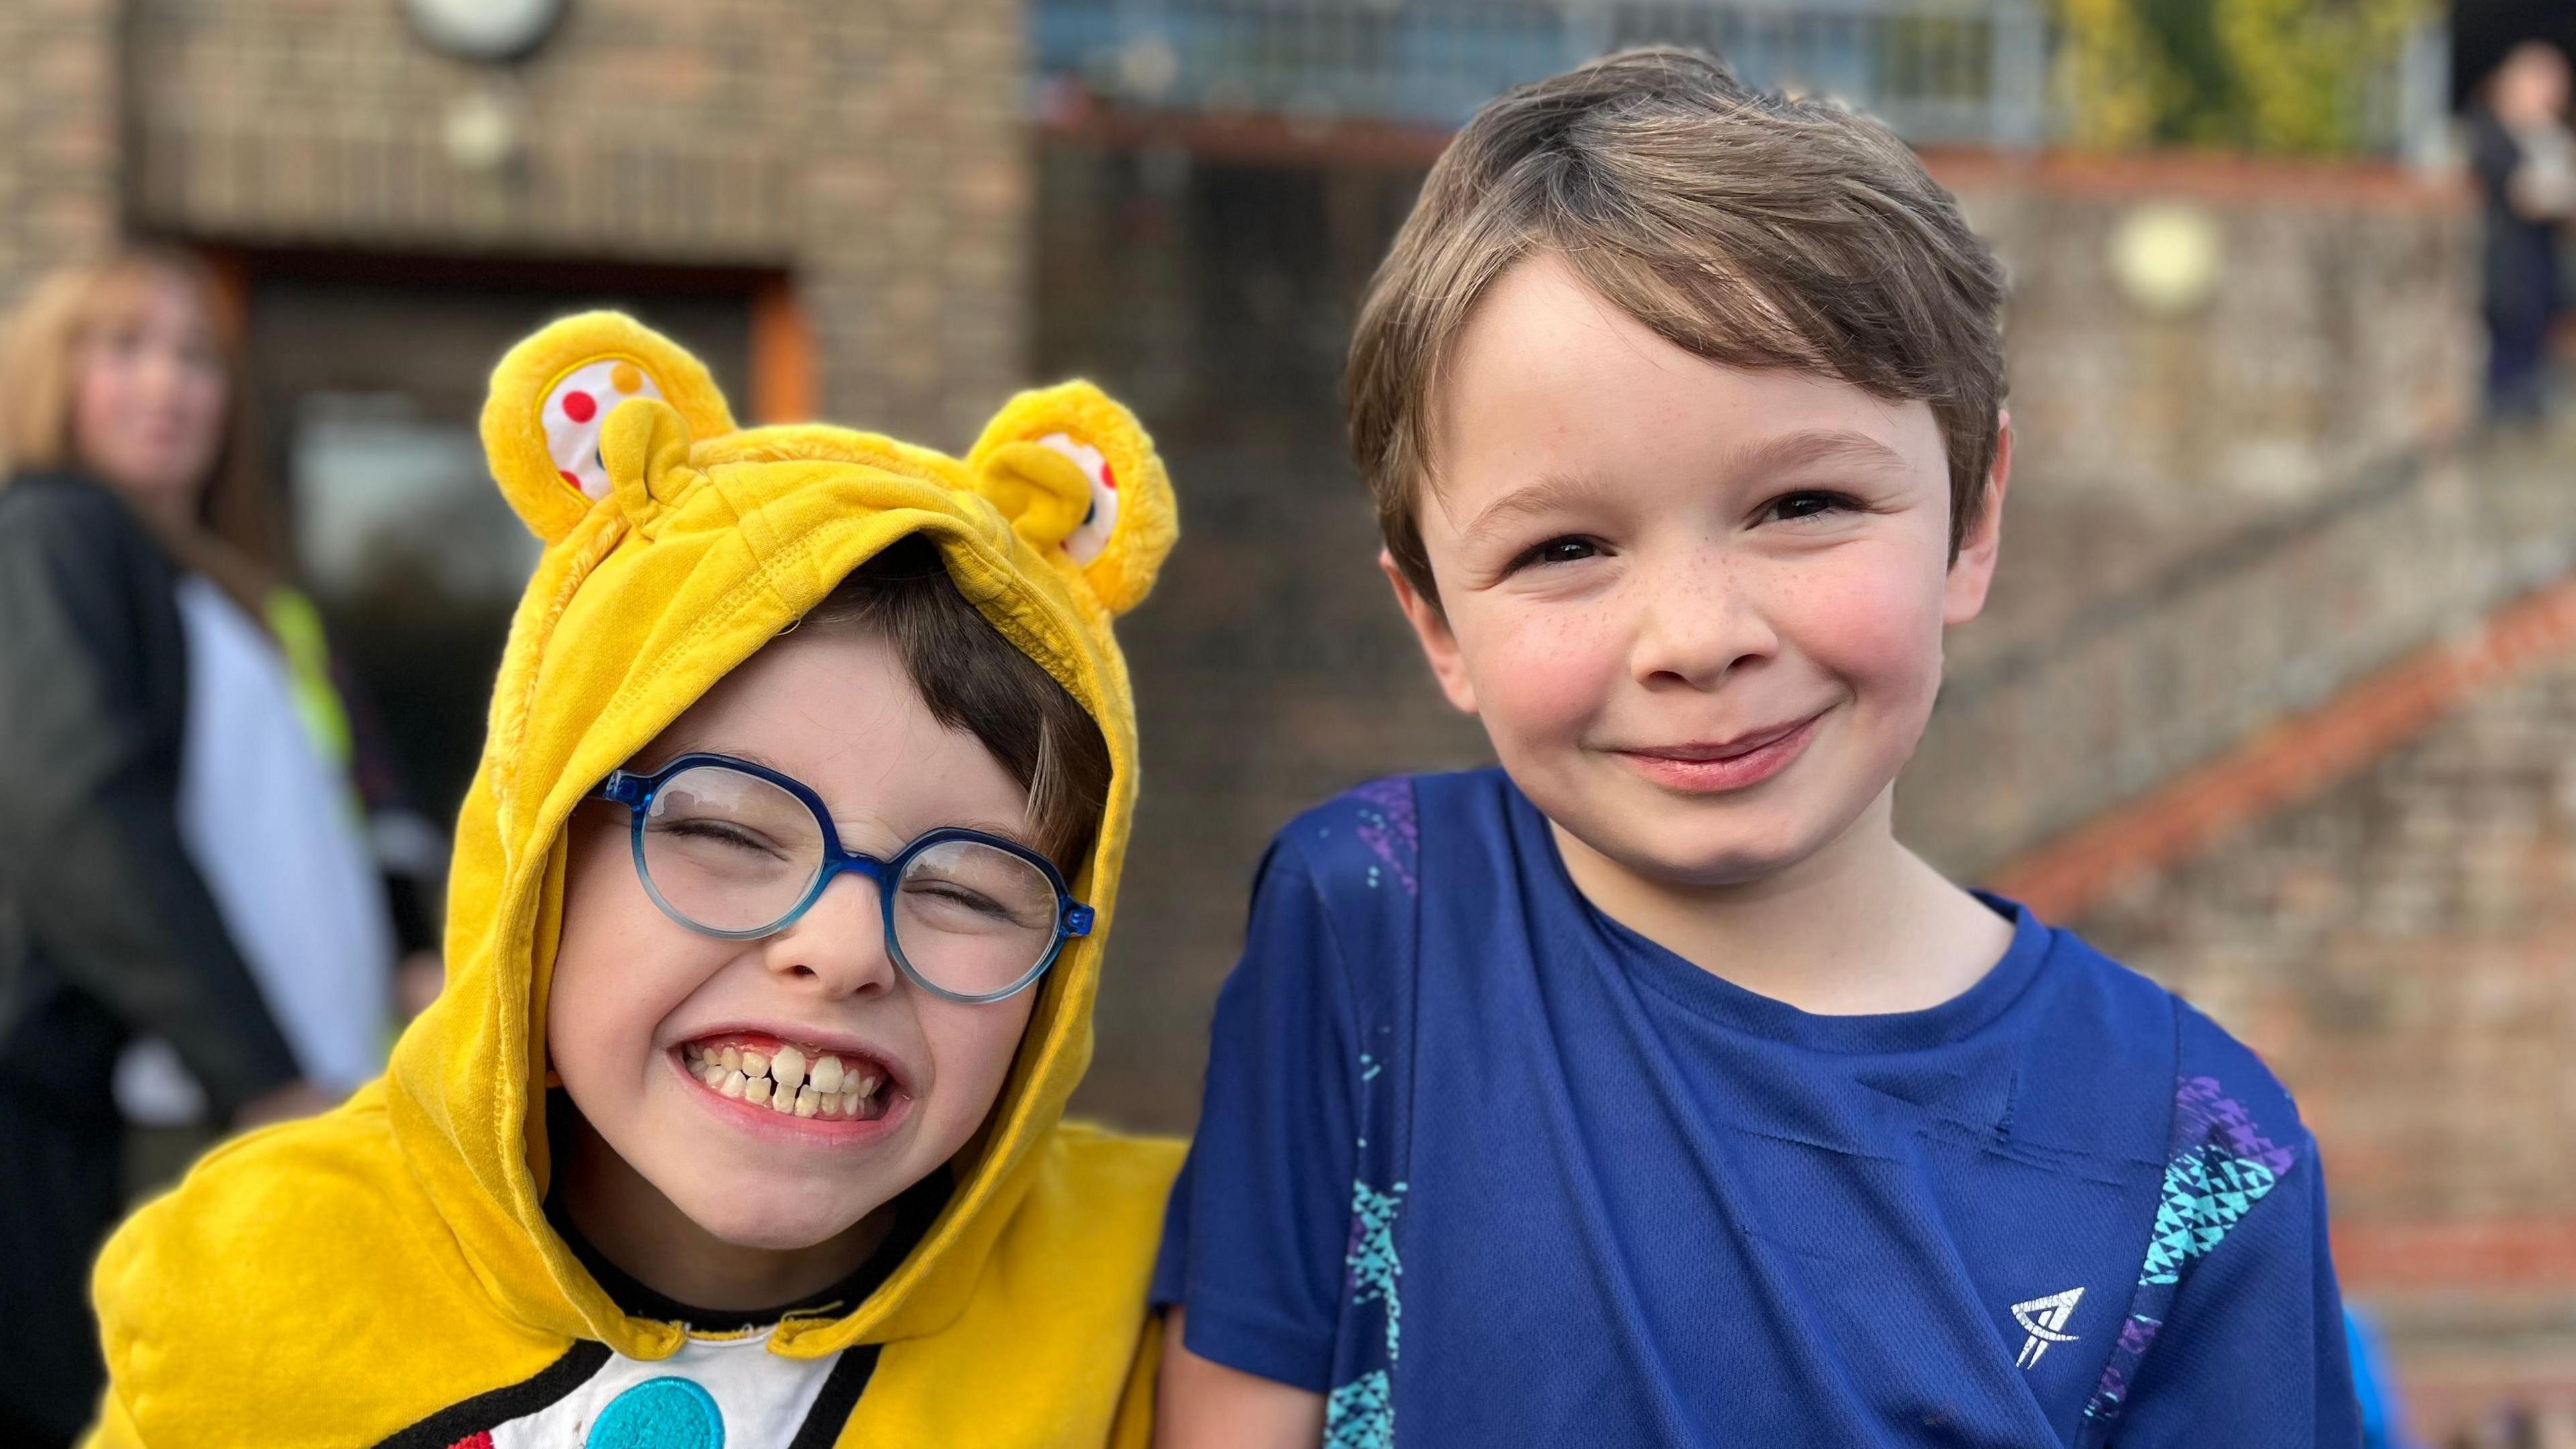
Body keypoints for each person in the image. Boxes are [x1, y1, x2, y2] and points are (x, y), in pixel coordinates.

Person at [1152, 49, 2359, 1447]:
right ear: (1432, 617)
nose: (1695, 636)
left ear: (1972, 517)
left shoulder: (2199, 1155)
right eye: (1563, 547)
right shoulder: (1368, 922)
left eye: (1800, 505)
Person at [83, 313, 1185, 1444]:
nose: (845, 947)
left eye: (968, 891)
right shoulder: (244, 1292)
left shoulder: (1159, 1297)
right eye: (732, 832)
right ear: (543, 861)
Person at [0, 248, 401, 1446]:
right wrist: (258, 1070)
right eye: (122, 349)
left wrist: (410, 951)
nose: (166, 385)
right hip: (160, 1113)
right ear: (53, 373)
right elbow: (79, 813)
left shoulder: (241, 593)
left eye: (193, 359)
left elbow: (337, 813)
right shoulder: (55, 534)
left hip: (278, 1101)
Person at [2471, 41, 2574, 421]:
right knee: (2504, 386)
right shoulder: (2489, 133)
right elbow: (2528, 196)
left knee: (2531, 382)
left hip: (2539, 278)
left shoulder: (2547, 138)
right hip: (2503, 277)